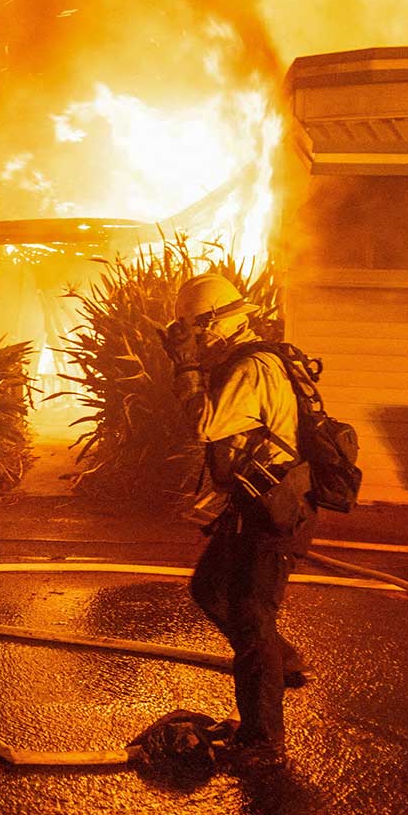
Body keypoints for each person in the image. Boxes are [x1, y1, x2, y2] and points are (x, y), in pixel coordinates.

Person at [166, 274, 315, 771]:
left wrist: (186, 367)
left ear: (216, 323)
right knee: (210, 589)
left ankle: (264, 739)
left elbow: (204, 424)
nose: (193, 340)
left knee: (251, 621)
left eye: (194, 330)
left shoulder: (251, 368)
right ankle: (280, 658)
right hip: (250, 504)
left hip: (274, 511)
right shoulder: (242, 361)